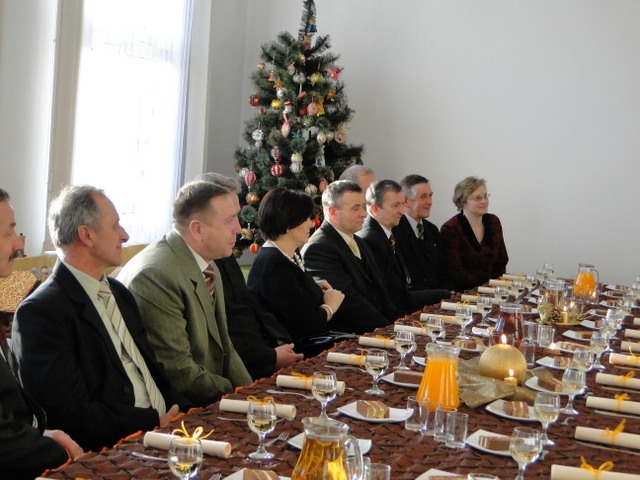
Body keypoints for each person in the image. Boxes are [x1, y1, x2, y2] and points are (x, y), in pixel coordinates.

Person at [13, 185, 182, 453]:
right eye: (115, 225)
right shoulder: (42, 312)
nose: (124, 235)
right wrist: (152, 422)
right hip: (120, 447)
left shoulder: (119, 293)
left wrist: (179, 414)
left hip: (168, 429)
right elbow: (69, 413)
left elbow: (152, 369)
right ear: (87, 235)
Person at [118, 180, 252, 406]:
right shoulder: (156, 275)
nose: (238, 228)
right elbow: (178, 371)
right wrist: (237, 395)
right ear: (197, 229)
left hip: (208, 393)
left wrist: (252, 392)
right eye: (229, 220)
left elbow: (224, 346)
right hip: (174, 408)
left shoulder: (207, 263)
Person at [0, 188, 83, 479]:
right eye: (9, 232)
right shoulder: (41, 304)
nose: (19, 243)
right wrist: (61, 454)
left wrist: (40, 434)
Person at [194, 173, 302, 379]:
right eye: (229, 219)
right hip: (242, 369)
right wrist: (270, 357)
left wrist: (280, 343)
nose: (238, 228)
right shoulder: (201, 263)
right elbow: (226, 329)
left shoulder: (223, 254)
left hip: (261, 354)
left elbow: (248, 305)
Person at [247, 188, 345, 356]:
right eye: (306, 218)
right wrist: (330, 306)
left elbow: (291, 299)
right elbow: (309, 323)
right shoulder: (274, 265)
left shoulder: (286, 255)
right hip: (296, 355)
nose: (312, 224)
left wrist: (310, 286)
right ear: (287, 223)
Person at [302, 181, 400, 334]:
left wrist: (398, 325)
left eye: (363, 206)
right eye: (356, 208)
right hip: (351, 336)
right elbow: (348, 302)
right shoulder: (318, 248)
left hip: (378, 330)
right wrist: (388, 331)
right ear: (332, 212)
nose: (364, 213)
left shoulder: (359, 241)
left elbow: (382, 292)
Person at [357, 180, 424, 313]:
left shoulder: (389, 232)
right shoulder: (370, 240)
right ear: (375, 209)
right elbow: (384, 294)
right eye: (395, 205)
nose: (402, 211)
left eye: (402, 204)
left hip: (401, 302)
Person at [440, 176, 509, 291]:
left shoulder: (493, 221)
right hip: (465, 293)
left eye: (485, 196)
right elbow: (457, 272)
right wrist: (485, 288)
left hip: (494, 289)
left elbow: (501, 260)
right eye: (478, 198)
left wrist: (496, 287)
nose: (484, 201)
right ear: (462, 202)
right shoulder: (451, 229)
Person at [392, 175, 454, 302]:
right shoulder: (395, 231)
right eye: (423, 197)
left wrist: (449, 293)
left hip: (440, 301)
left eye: (430, 196)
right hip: (413, 304)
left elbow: (442, 269)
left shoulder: (432, 229)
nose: (429, 202)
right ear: (406, 201)